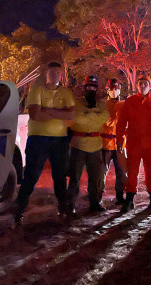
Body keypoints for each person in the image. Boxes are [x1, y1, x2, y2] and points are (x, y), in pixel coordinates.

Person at [14, 62, 75, 225]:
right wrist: (60, 113)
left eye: (58, 72)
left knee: (60, 177)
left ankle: (63, 209)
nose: (55, 75)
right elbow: (34, 114)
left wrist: (47, 110)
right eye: (52, 72)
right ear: (46, 74)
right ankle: (18, 211)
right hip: (38, 139)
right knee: (31, 176)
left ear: (60, 75)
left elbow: (72, 114)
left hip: (60, 140)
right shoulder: (37, 90)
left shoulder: (65, 92)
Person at [116, 75, 151, 213]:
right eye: (140, 83)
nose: (143, 86)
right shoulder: (130, 101)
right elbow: (121, 122)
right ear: (137, 86)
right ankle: (129, 200)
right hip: (133, 143)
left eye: (145, 83)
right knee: (132, 172)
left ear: (150, 86)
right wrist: (119, 140)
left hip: (150, 144)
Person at [66, 76, 110, 213]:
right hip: (78, 145)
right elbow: (77, 118)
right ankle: (70, 205)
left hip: (95, 145)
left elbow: (105, 118)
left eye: (94, 87)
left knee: (95, 178)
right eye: (89, 87)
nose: (91, 89)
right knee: (74, 177)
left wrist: (87, 114)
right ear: (84, 88)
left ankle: (95, 203)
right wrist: (94, 115)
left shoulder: (101, 104)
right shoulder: (76, 103)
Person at [101, 78, 127, 205]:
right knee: (101, 171)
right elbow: (105, 121)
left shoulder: (124, 104)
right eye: (112, 89)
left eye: (116, 88)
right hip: (105, 143)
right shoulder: (103, 105)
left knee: (122, 171)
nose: (114, 91)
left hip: (120, 143)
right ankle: (97, 195)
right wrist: (115, 117)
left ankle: (120, 195)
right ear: (108, 90)